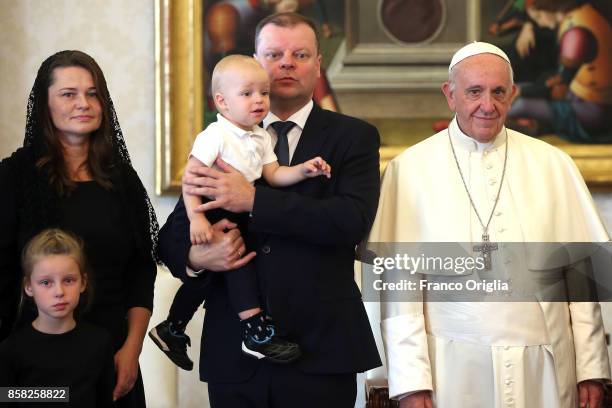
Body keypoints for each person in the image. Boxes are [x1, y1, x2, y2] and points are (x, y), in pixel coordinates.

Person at [158, 12, 382, 408]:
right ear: (256, 62)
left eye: (300, 54)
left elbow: (350, 223)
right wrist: (200, 254)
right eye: (274, 53)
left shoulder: (355, 137)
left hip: (322, 350)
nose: (286, 63)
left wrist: (255, 200)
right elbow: (171, 241)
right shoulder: (220, 138)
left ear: (318, 64)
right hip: (233, 354)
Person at [369, 41, 610, 408]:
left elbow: (581, 277)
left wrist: (591, 368)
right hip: (452, 367)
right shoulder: (410, 170)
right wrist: (411, 381)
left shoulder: (554, 164)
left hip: (545, 364)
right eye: (474, 92)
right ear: (450, 95)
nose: (488, 105)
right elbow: (400, 290)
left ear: (513, 94)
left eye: (499, 92)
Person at [148, 54, 331, 370]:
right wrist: (197, 219)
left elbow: (274, 175)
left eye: (263, 93)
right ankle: (255, 331)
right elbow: (191, 179)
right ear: (222, 102)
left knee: (208, 279)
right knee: (237, 264)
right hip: (211, 208)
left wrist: (304, 170)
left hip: (239, 210)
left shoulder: (260, 136)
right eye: (247, 94)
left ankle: (172, 328)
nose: (259, 100)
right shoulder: (215, 136)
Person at [0, 50, 158, 407]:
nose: (83, 103)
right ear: (45, 105)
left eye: (92, 93)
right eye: (69, 94)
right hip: (35, 359)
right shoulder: (14, 176)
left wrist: (132, 351)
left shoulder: (122, 180)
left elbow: (141, 270)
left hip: (113, 358)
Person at [0, 228, 115, 407]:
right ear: (29, 286)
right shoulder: (12, 350)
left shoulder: (100, 343)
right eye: (46, 283)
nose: (59, 292)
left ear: (83, 283)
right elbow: (7, 398)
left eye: (68, 280)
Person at [507, 0, 612, 141]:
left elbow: (559, 90)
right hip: (580, 99)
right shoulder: (581, 16)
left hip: (591, 110)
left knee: (519, 106)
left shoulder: (576, 32)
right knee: (518, 92)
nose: (540, 23)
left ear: (548, 6)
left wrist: (522, 91)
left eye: (538, 17)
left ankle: (534, 128)